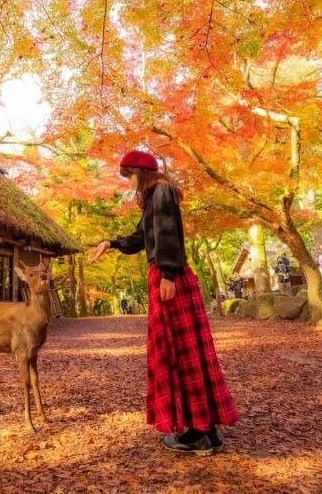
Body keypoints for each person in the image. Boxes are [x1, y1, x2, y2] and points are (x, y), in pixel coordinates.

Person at [88, 150, 239, 455]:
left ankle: (198, 433)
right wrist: (111, 243)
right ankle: (206, 430)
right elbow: (140, 238)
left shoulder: (162, 192)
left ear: (140, 173)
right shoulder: (155, 197)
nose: (129, 183)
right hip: (168, 274)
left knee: (179, 352)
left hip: (169, 277)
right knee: (187, 350)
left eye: (129, 176)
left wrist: (167, 274)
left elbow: (167, 234)